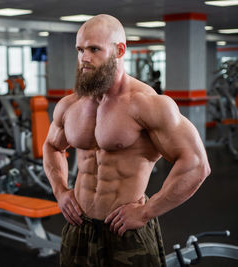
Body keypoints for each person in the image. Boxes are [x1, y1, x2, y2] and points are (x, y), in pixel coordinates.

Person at [43, 14, 210, 267]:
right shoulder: (70, 104)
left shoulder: (147, 103)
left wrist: (147, 211)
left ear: (119, 50)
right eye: (80, 49)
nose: (84, 58)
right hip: (79, 229)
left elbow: (196, 164)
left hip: (126, 233)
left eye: (94, 49)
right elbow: (52, 146)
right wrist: (61, 192)